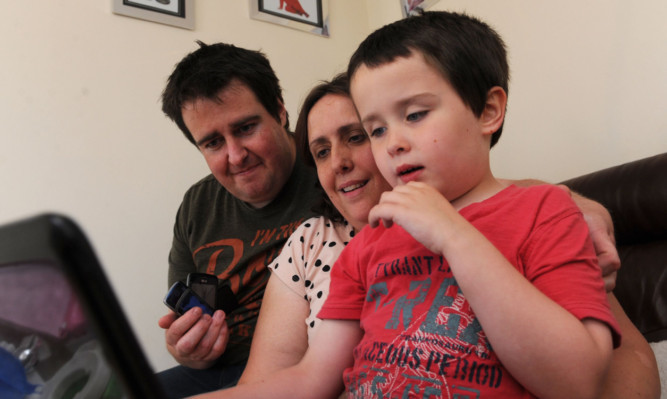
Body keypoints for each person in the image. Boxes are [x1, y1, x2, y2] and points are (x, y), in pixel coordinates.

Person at [193, 10, 657, 395]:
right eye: (376, 129)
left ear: (488, 111)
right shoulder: (363, 249)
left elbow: (578, 382)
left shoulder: (547, 211)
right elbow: (309, 380)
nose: (390, 143)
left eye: (414, 115)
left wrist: (453, 235)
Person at [156, 41, 321, 398]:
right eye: (213, 143)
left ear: (279, 112)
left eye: (246, 128)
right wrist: (188, 350)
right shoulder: (197, 205)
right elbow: (187, 326)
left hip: (304, 370)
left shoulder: (332, 173)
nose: (235, 156)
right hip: (218, 372)